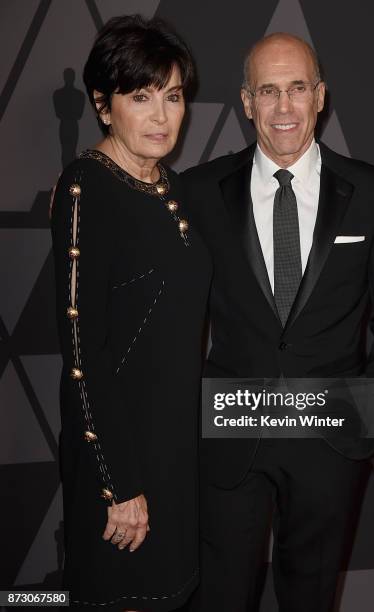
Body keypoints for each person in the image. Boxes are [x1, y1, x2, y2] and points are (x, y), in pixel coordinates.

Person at [182, 33, 374, 611]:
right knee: (219, 599)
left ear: (319, 96)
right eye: (268, 91)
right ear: (246, 101)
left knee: (310, 600)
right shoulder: (196, 194)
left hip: (329, 440)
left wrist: (370, 420)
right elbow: (169, 322)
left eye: (296, 89)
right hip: (230, 433)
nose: (283, 108)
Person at [51, 15, 211, 611]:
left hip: (173, 446)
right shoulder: (84, 188)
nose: (162, 116)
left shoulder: (169, 185)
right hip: (120, 457)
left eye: (172, 97)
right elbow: (81, 350)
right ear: (102, 103)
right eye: (140, 97)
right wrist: (118, 485)